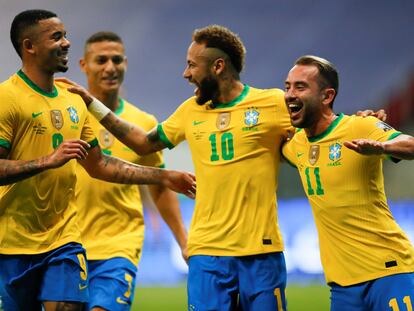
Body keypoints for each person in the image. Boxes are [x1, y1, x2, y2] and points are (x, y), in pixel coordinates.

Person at [65, 25, 292, 310]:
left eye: (192, 65)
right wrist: (92, 104)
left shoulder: (272, 104)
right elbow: (143, 143)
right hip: (206, 253)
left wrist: (363, 123)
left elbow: (318, 132)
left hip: (261, 250)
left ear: (218, 66)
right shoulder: (189, 111)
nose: (186, 74)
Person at [0, 10, 195, 311]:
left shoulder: (74, 102)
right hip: (12, 242)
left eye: (65, 36)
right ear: (29, 46)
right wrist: (46, 161)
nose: (66, 43)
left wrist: (163, 177)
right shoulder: (7, 98)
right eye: (56, 37)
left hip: (68, 240)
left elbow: (100, 164)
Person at [282, 55, 414, 311]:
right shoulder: (295, 145)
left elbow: (410, 144)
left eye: (300, 86)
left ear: (327, 96)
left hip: (388, 272)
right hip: (342, 286)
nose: (289, 94)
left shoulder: (361, 126)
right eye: (287, 86)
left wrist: (382, 147)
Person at [76, 31, 188, 310]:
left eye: (117, 60)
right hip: (66, 244)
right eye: (101, 60)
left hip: (119, 244)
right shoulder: (67, 115)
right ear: (83, 65)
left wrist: (183, 241)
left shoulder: (142, 122)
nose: (110, 67)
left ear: (126, 63)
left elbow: (160, 186)